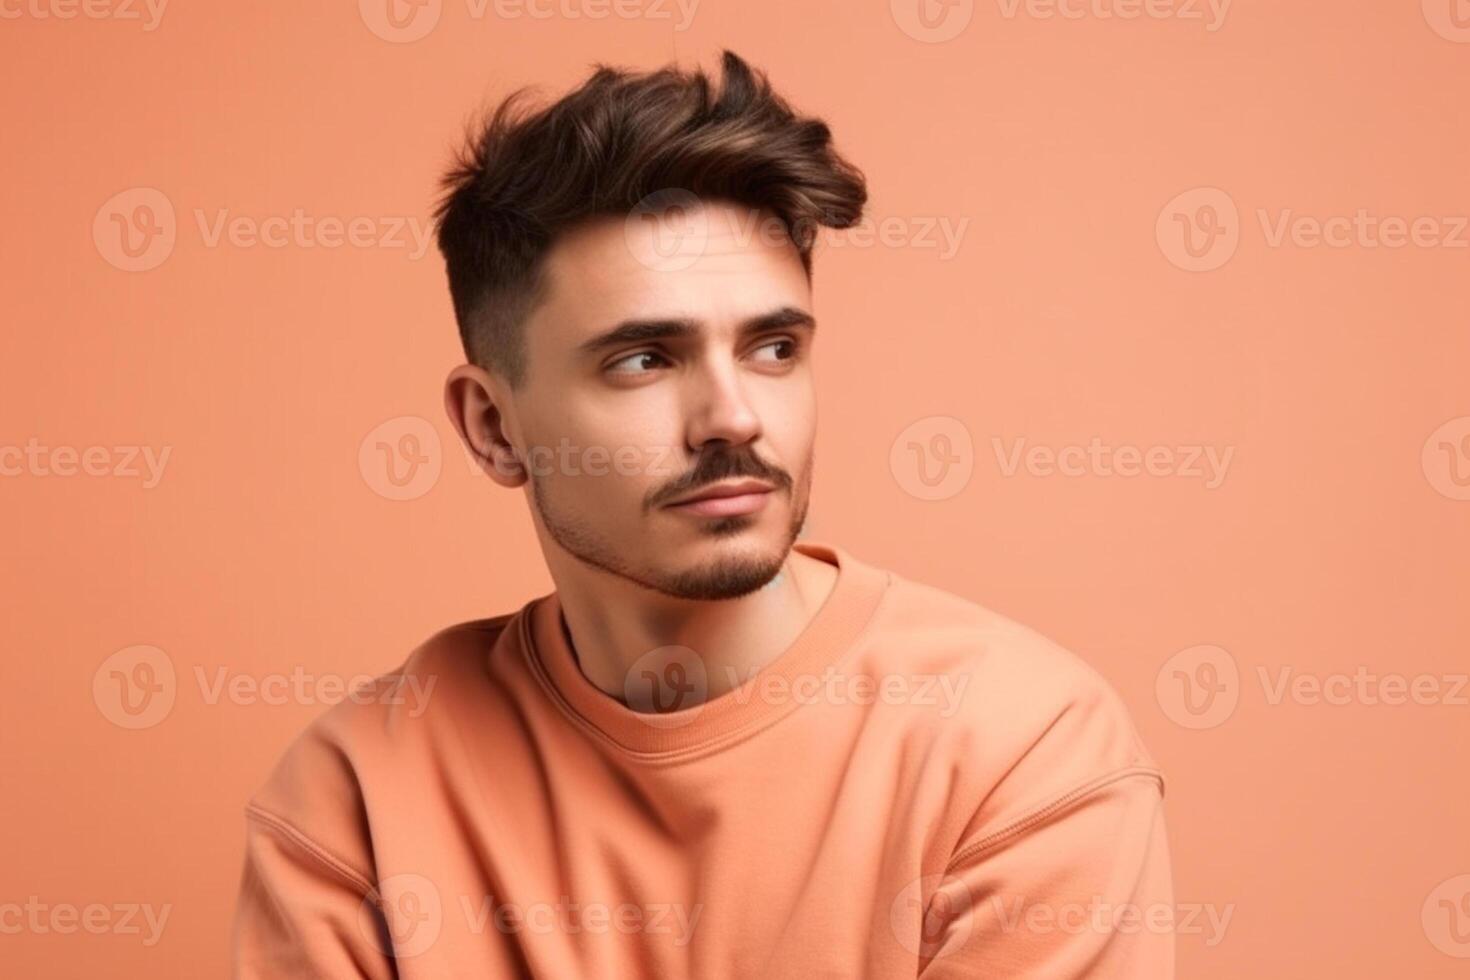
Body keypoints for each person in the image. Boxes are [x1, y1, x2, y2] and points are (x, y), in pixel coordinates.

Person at [230, 49, 1174, 978]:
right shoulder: (356, 805)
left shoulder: (1021, 752)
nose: (733, 417)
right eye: (644, 359)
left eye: (772, 348)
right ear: (493, 426)